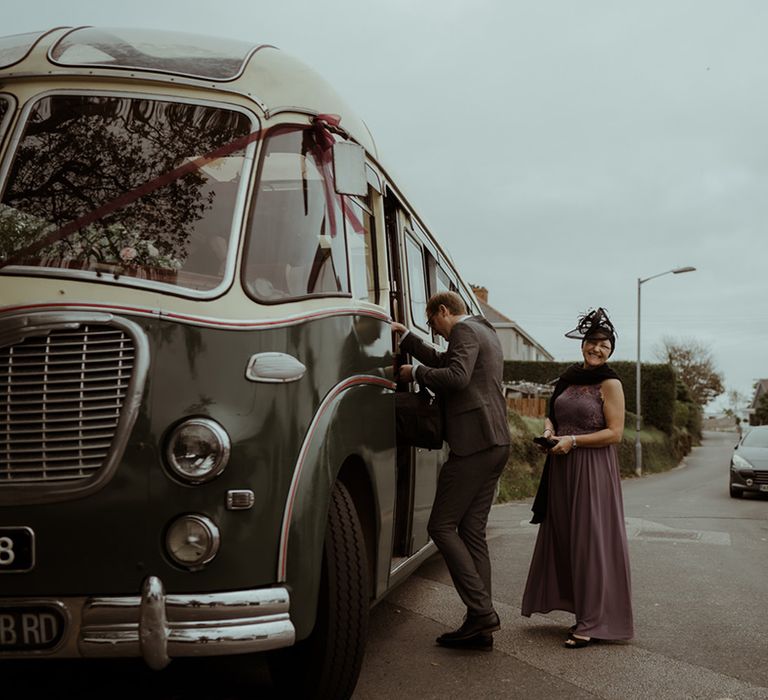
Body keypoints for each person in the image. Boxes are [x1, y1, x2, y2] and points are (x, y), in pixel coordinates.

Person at [391, 291, 510, 651]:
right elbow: (449, 359)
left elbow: (456, 376)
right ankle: (479, 625)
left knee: (441, 526)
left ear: (444, 311)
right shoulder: (483, 329)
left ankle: (482, 611)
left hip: (473, 444)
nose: (437, 331)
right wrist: (409, 339)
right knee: (472, 531)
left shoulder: (464, 331)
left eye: (432, 323)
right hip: (495, 442)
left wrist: (416, 372)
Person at [521, 307, 633, 648]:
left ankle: (594, 621)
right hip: (561, 469)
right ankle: (578, 609)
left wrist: (572, 441)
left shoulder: (610, 383)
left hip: (593, 469)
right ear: (583, 344)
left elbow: (615, 433)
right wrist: (549, 431)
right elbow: (552, 415)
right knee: (565, 538)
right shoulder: (567, 379)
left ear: (611, 350)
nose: (597, 349)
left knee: (590, 542)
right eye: (593, 342)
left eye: (605, 345)